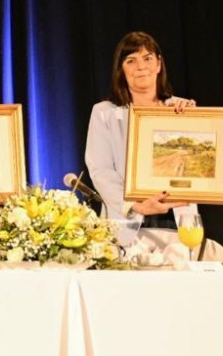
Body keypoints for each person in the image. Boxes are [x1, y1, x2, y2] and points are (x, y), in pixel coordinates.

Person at [84, 31, 197, 229]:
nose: (141, 67)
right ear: (121, 69)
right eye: (131, 60)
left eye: (147, 58)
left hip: (179, 219)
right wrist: (135, 206)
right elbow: (101, 170)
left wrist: (195, 123)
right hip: (128, 221)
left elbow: (196, 163)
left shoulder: (181, 109)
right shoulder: (104, 113)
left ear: (159, 64)